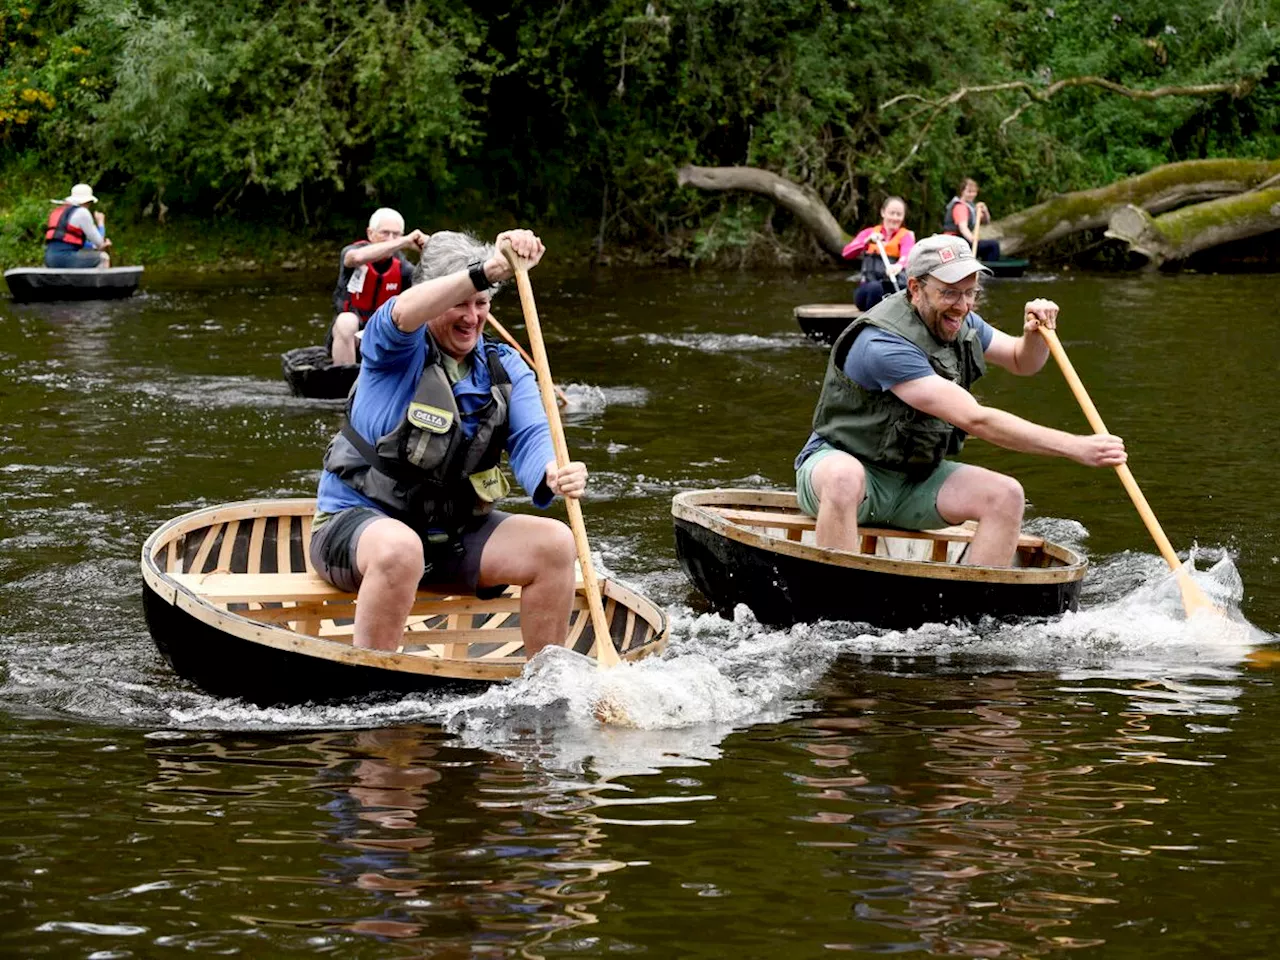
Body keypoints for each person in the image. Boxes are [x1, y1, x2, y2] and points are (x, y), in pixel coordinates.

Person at [312, 228, 587, 656]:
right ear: (436, 296)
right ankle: (374, 686)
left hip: (449, 536)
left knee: (556, 545)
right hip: (359, 528)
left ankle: (546, 687)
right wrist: (488, 269)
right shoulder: (393, 346)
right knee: (401, 550)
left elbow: (533, 436)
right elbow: (402, 312)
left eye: (482, 304)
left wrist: (554, 473)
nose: (472, 316)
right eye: (460, 302)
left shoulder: (506, 366)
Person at [794, 234, 1126, 567]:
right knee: (843, 478)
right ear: (915, 288)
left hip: (913, 482)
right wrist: (1076, 447)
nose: (963, 304)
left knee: (1007, 496)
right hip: (846, 471)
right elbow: (976, 419)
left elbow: (1020, 360)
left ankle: (973, 612)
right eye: (950, 292)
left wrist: (1034, 334)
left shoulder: (961, 321)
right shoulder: (883, 344)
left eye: (971, 292)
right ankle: (840, 601)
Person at [329, 208, 428, 366]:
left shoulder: (404, 269)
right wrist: (404, 242)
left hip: (384, 335)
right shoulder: (352, 252)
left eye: (396, 234)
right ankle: (344, 379)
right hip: (350, 336)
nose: (390, 239)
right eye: (384, 233)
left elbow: (429, 287)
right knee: (345, 321)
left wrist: (429, 249)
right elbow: (356, 258)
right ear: (370, 234)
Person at [842, 196, 915, 312]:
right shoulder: (869, 233)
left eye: (899, 214)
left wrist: (898, 265)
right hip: (868, 290)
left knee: (907, 292)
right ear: (883, 213)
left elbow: (908, 255)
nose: (895, 218)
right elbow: (846, 253)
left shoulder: (906, 236)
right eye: (892, 213)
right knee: (875, 288)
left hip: (892, 289)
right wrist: (866, 242)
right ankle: (872, 322)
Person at [44, 183, 111, 269]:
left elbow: (72, 242)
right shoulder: (82, 212)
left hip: (49, 259)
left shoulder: (58, 211)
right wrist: (101, 223)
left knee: (84, 255)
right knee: (103, 257)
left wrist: (93, 246)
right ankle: (101, 283)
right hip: (65, 259)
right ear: (87, 202)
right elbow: (99, 243)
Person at [942, 178, 1001, 262]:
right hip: (954, 242)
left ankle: (984, 270)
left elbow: (986, 221)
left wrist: (985, 210)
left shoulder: (970, 206)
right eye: (969, 192)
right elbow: (963, 228)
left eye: (974, 192)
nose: (972, 194)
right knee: (993, 246)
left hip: (962, 240)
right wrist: (973, 240)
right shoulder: (960, 206)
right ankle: (989, 271)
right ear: (962, 191)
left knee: (989, 246)